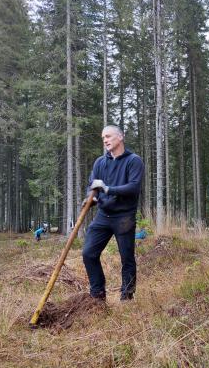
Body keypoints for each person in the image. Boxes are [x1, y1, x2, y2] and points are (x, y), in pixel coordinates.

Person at [81, 125, 144, 301]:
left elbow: (133, 187)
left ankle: (127, 296)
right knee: (88, 253)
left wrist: (107, 189)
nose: (105, 140)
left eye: (108, 136)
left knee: (127, 257)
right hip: (103, 215)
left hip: (124, 216)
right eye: (103, 138)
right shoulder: (100, 162)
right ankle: (97, 295)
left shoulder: (133, 161)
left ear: (121, 136)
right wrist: (91, 198)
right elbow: (92, 185)